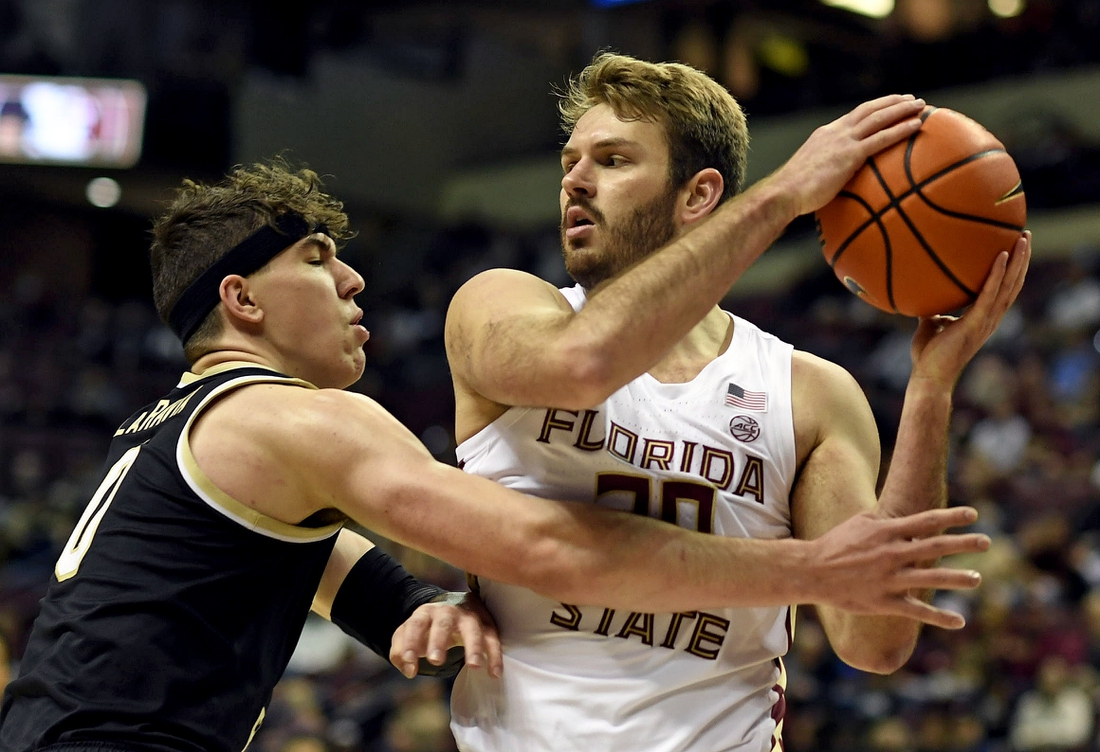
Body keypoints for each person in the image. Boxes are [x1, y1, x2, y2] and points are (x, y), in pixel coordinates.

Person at [0, 159, 988, 752]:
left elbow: (308, 555)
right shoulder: (293, 419)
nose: (351, 278)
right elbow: (554, 554)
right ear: (240, 301)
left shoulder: (172, 424)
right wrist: (810, 567)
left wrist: (411, 606)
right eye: (313, 258)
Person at [444, 52, 1031, 751]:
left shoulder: (808, 392)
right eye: (571, 161)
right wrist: (784, 196)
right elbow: (583, 365)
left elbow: (875, 639)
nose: (574, 180)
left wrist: (932, 388)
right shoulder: (498, 306)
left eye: (612, 160)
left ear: (698, 196)